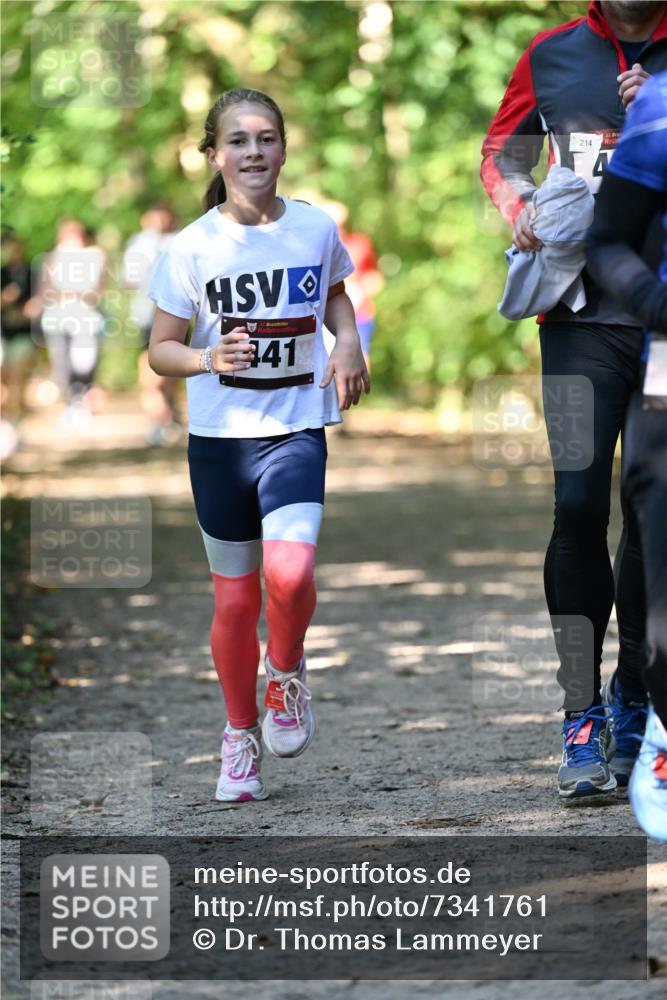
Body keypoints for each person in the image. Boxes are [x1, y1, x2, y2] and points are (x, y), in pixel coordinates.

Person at [147, 88, 369, 802]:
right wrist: (208, 360)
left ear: (283, 147)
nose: (253, 153)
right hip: (218, 442)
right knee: (236, 602)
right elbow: (160, 350)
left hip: (295, 429)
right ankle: (238, 735)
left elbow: (334, 292)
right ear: (214, 155)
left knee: (292, 573)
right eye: (237, 141)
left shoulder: (312, 227)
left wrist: (347, 345)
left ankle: (288, 670)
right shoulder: (193, 245)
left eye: (265, 138)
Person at [481, 0, 667, 804]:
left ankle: (635, 698)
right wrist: (518, 206)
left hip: (662, 321)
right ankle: (580, 715)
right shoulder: (551, 54)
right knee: (579, 503)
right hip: (576, 318)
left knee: (651, 509)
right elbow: (500, 151)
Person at [586, 71, 667, 839]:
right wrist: (656, 306)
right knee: (651, 538)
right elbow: (605, 236)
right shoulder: (660, 104)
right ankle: (653, 715)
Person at [38, 218, 106, 426]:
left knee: (84, 363)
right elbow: (45, 291)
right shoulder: (52, 258)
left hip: (86, 320)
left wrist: (76, 294)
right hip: (58, 320)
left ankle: (81, 401)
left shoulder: (95, 255)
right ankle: (71, 405)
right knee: (63, 364)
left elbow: (98, 292)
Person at [122, 204, 181, 445]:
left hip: (178, 316)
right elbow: (129, 278)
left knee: (173, 373)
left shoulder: (181, 240)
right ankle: (157, 420)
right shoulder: (139, 244)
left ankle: (172, 417)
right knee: (150, 373)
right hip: (147, 316)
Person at [321, 201, 384, 366]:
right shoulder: (317, 247)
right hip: (324, 313)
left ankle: (357, 392)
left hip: (359, 312)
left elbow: (376, 277)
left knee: (359, 357)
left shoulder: (360, 244)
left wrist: (361, 291)